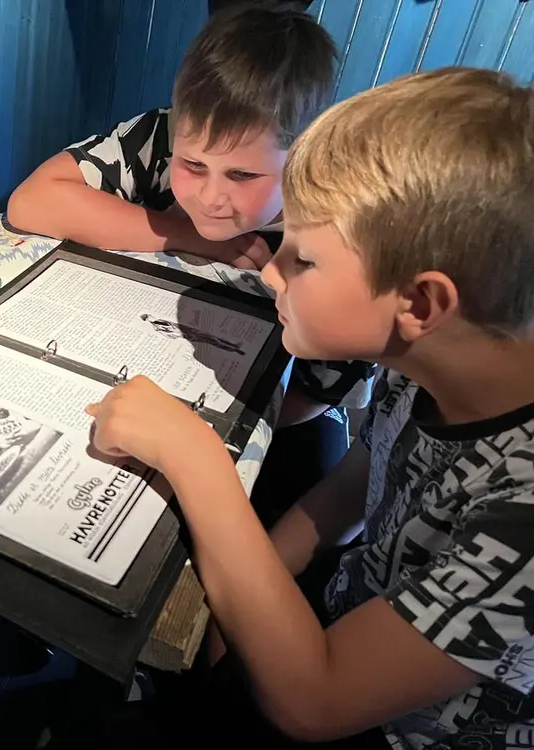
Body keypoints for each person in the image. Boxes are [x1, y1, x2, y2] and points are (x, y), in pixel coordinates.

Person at [86, 66, 534, 747]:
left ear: (420, 303)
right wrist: (245, 595)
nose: (272, 271)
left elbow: (316, 704)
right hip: (344, 606)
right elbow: (358, 481)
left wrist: (194, 455)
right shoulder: (431, 364)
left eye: (305, 259)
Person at [7, 2, 375, 527]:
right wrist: (198, 239)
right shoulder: (160, 137)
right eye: (193, 165)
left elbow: (320, 391)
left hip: (287, 419)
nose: (210, 197)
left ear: (300, 155)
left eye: (242, 176)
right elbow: (31, 203)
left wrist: (200, 434)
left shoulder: (335, 220)